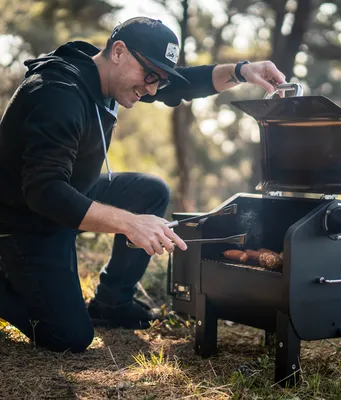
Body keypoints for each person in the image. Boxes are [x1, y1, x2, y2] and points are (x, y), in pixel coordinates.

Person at [0, 17, 286, 352]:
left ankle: (112, 303)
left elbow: (182, 85)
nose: (151, 88)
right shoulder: (57, 94)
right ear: (118, 51)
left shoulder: (107, 73)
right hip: (24, 218)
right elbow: (44, 192)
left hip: (69, 193)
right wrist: (130, 223)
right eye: (149, 75)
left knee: (150, 191)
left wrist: (241, 71)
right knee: (69, 336)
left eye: (158, 80)